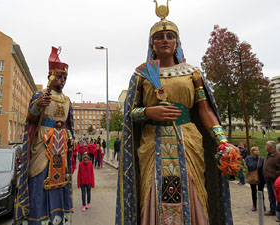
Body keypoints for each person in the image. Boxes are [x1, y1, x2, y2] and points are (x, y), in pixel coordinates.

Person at [115, 2, 237, 225]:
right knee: (153, 193)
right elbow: (129, 115)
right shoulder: (142, 73)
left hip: (187, 141)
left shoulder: (192, 72)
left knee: (192, 193)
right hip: (153, 144)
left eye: (170, 36)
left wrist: (221, 141)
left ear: (177, 42)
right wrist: (149, 111)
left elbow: (204, 110)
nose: (164, 40)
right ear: (152, 44)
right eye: (159, 36)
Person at [14, 46, 74, 224]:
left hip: (61, 144)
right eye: (59, 76)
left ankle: (58, 217)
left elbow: (68, 124)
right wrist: (38, 105)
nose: (62, 80)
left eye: (65, 77)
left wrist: (70, 138)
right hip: (42, 143)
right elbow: (31, 118)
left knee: (60, 180)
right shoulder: (40, 95)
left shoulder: (67, 100)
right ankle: (36, 218)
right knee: (39, 178)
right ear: (51, 76)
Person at [245, 146, 266, 211]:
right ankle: (254, 205)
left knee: (261, 191)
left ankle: (262, 204)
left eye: (258, 150)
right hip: (252, 176)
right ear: (252, 152)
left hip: (260, 177)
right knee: (253, 190)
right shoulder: (248, 159)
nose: (257, 151)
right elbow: (245, 165)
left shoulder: (262, 159)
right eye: (255, 150)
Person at [263, 140, 280, 216]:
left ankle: (278, 213)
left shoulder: (278, 156)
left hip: (275, 180)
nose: (265, 147)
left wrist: (274, 174)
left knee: (278, 196)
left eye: (266, 145)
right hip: (268, 179)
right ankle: (272, 210)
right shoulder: (268, 155)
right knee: (271, 196)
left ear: (271, 147)